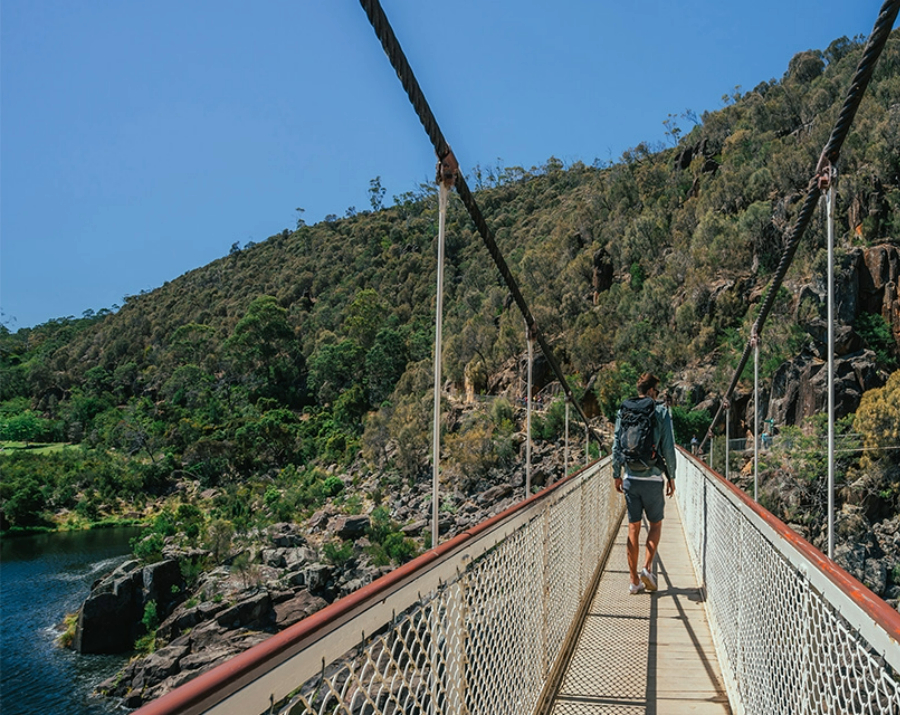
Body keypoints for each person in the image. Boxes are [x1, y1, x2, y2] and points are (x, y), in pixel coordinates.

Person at [612, 372, 678, 595]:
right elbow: (668, 448)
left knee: (633, 528)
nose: (657, 396)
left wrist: (616, 473)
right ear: (650, 391)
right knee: (656, 524)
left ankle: (633, 582)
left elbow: (616, 445)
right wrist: (671, 476)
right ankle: (647, 569)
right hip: (652, 478)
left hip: (630, 477)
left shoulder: (624, 411)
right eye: (656, 392)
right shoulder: (660, 411)